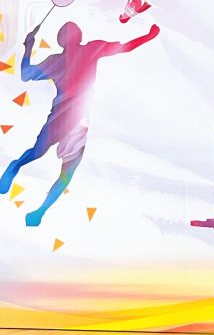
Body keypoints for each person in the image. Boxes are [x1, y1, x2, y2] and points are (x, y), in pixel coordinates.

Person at [0, 19, 158, 226]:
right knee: (66, 171)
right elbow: (125, 47)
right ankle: (40, 210)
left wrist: (29, 46)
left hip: (60, 117)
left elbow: (26, 74)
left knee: (37, 153)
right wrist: (149, 36)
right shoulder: (90, 49)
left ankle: (17, 169)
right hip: (76, 120)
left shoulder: (57, 60)